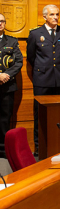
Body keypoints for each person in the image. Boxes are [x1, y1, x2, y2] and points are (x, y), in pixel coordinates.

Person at [27, 4, 60, 156]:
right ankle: (40, 147)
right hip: (42, 79)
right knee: (40, 114)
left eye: (57, 14)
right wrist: (44, 68)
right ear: (44, 16)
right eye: (52, 15)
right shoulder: (34, 34)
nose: (56, 17)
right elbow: (31, 57)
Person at [0, 13, 23, 158]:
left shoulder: (12, 41)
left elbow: (19, 62)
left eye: (2, 21)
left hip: (7, 86)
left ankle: (3, 150)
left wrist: (5, 75)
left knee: (4, 118)